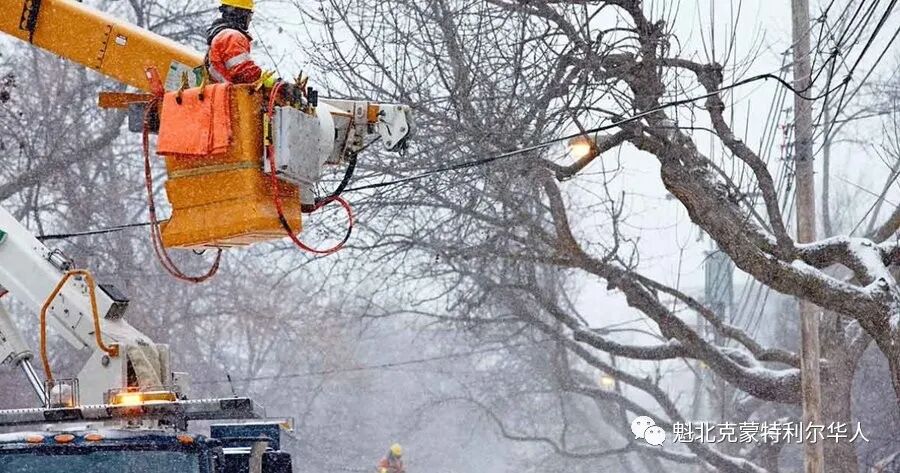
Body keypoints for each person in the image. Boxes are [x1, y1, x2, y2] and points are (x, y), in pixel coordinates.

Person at [205, 0, 263, 84]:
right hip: (230, 95)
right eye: (250, 14)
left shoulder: (221, 36)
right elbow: (247, 74)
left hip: (221, 92)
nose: (250, 20)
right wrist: (276, 85)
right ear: (241, 14)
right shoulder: (232, 36)